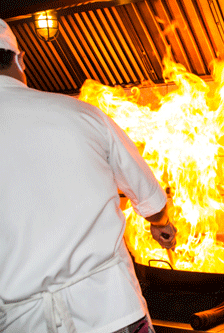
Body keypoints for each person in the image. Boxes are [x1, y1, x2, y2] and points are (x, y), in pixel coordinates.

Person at [0, 18, 177, 333]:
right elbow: (150, 198)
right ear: (20, 59)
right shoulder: (83, 114)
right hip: (112, 312)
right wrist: (161, 225)